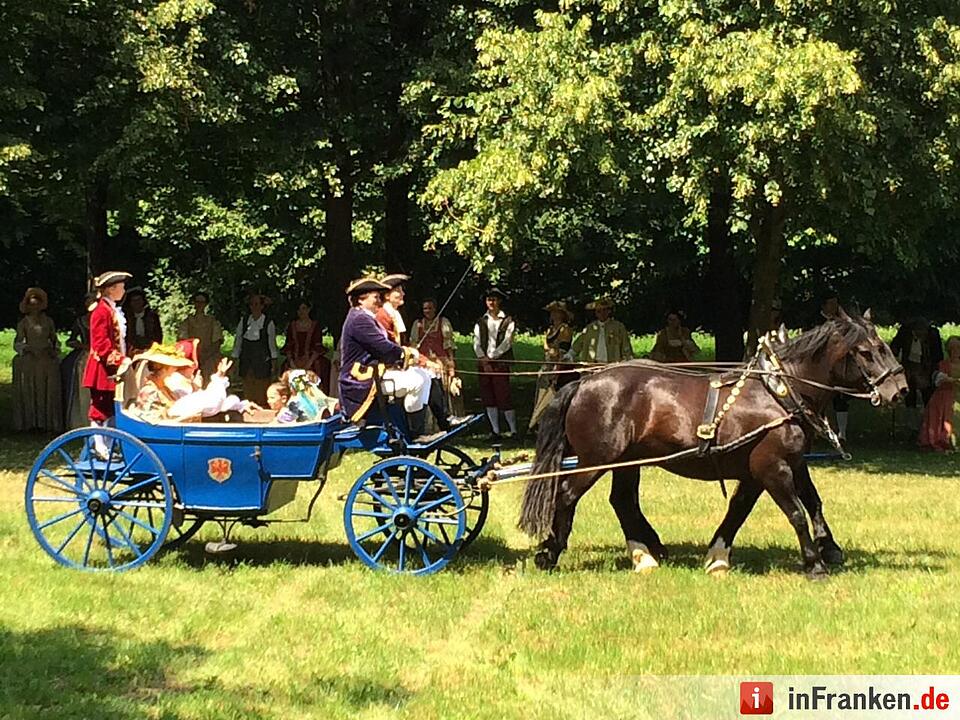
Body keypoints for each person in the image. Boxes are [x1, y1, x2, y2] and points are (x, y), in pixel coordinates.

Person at [338, 277, 434, 439]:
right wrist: (406, 354)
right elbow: (383, 347)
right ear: (361, 300)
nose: (379, 301)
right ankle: (415, 433)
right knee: (416, 381)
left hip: (374, 373)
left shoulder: (365, 317)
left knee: (424, 376)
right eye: (375, 297)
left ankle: (417, 428)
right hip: (360, 381)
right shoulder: (359, 319)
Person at [378, 274, 462, 432]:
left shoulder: (394, 315)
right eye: (399, 291)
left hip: (396, 367)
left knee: (429, 374)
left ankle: (444, 419)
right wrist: (423, 361)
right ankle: (416, 430)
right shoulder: (383, 316)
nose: (403, 294)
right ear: (388, 296)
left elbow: (406, 347)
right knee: (419, 380)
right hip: (386, 372)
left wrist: (426, 363)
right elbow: (392, 349)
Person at [83, 270, 132, 455]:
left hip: (114, 368)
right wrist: (119, 360)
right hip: (102, 369)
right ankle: (99, 445)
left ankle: (109, 445)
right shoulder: (100, 311)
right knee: (100, 407)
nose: (124, 290)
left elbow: (119, 341)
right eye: (121, 287)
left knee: (113, 407)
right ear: (111, 289)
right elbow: (101, 345)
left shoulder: (111, 309)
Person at [13, 287, 63, 432]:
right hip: (29, 359)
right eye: (32, 304)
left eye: (37, 304)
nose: (35, 307)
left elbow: (54, 339)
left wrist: (53, 349)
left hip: (45, 358)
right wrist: (27, 348)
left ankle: (46, 422)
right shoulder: (24, 323)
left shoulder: (48, 321)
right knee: (30, 389)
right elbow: (18, 341)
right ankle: (30, 422)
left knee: (46, 389)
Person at [473, 288, 517, 440]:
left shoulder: (508, 321)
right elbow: (476, 342)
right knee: (488, 396)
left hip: (500, 362)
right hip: (484, 363)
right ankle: (495, 431)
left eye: (494, 299)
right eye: (488, 299)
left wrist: (492, 356)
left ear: (499, 301)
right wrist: (482, 358)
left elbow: (507, 342)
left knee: (503, 394)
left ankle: (513, 430)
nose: (491, 302)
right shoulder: (481, 321)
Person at [410, 296, 463, 417]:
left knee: (444, 390)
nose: (427, 311)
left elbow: (448, 345)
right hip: (424, 364)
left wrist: (451, 363)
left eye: (429, 308)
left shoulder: (443, 322)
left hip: (441, 363)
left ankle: (448, 417)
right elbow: (413, 345)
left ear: (435, 309)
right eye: (425, 309)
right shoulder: (417, 324)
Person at [890, 317, 944, 431]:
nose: (920, 334)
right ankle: (911, 426)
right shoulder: (904, 332)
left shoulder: (933, 334)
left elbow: (938, 356)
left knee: (928, 397)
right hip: (909, 367)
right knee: (909, 397)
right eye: (917, 332)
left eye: (923, 332)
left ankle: (928, 427)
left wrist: (932, 373)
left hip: (926, 368)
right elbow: (894, 348)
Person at [530, 300, 575, 430]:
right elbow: (546, 347)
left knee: (555, 393)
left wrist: (557, 367)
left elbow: (563, 350)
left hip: (560, 365)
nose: (554, 315)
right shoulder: (549, 330)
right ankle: (538, 420)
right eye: (552, 313)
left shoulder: (565, 329)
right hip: (547, 364)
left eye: (557, 313)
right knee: (542, 390)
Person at [232, 293, 278, 406]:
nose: (254, 307)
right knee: (248, 387)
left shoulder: (268, 323)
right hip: (246, 360)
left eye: (257, 304)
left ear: (262, 306)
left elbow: (271, 344)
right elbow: (238, 341)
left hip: (262, 361)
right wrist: (234, 358)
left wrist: (274, 360)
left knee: (262, 388)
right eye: (252, 304)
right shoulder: (244, 321)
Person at [132, 344, 196, 422]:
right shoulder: (149, 391)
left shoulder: (163, 387)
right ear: (164, 369)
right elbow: (151, 419)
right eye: (173, 366)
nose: (176, 368)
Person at [62, 292, 97, 429]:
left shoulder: (103, 318)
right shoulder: (80, 322)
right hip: (85, 355)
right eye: (89, 301)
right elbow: (70, 341)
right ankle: (81, 419)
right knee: (82, 386)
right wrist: (84, 346)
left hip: (99, 353)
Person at [919, 336, 960, 452]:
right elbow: (939, 379)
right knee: (941, 410)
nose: (955, 351)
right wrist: (951, 380)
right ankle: (942, 441)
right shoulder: (943, 364)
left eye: (958, 348)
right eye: (952, 348)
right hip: (944, 395)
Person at [818, 289, 850, 441]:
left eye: (836, 303)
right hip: (819, 366)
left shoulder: (840, 322)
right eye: (831, 303)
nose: (834, 306)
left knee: (840, 398)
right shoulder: (815, 322)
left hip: (838, 364)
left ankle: (842, 433)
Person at [281, 301, 332, 394]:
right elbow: (288, 345)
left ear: (309, 310)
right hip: (294, 358)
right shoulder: (292, 325)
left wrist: (309, 362)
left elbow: (317, 345)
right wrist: (292, 362)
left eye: (304, 308)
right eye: (299, 309)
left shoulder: (315, 325)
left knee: (322, 366)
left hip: (312, 358)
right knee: (285, 368)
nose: (301, 312)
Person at [571, 297, 633, 364]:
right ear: (595, 313)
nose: (602, 313)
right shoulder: (590, 328)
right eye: (599, 311)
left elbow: (626, 347)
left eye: (604, 310)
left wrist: (628, 361)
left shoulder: (619, 327)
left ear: (609, 311)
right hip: (592, 365)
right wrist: (569, 355)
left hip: (612, 365)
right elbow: (578, 344)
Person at [178, 291, 224, 381]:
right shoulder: (187, 322)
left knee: (209, 382)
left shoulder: (212, 322)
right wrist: (194, 356)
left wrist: (205, 356)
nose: (199, 305)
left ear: (206, 304)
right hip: (191, 358)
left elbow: (217, 342)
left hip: (209, 358)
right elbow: (182, 340)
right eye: (197, 302)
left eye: (202, 302)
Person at [123, 287, 163, 357]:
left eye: (138, 300)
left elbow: (158, 334)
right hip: (132, 351)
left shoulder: (152, 316)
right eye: (134, 301)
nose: (137, 303)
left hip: (150, 349)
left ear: (143, 301)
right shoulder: (126, 318)